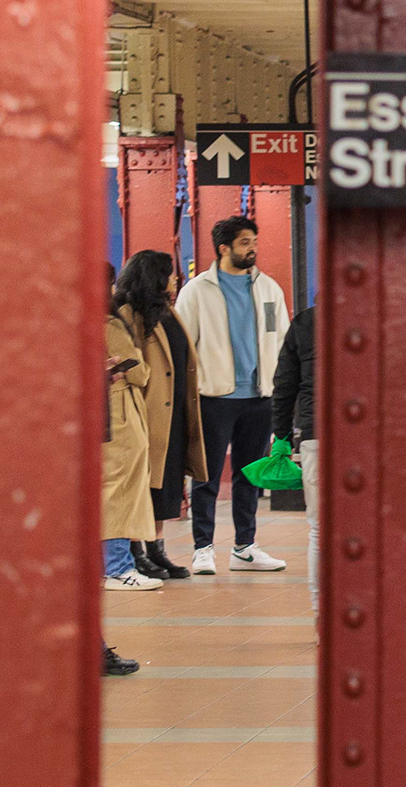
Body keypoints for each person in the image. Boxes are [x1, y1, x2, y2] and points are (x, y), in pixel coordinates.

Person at [175, 213, 293, 571]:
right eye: (245, 243)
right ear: (224, 248)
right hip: (214, 397)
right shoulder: (196, 291)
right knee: (206, 474)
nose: (252, 249)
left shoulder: (269, 288)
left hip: (260, 396)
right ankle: (203, 548)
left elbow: (281, 339)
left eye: (254, 243)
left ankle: (245, 546)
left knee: (249, 474)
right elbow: (184, 347)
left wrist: (280, 387)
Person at [100, 263, 169, 669]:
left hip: (117, 413)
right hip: (119, 416)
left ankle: (120, 563)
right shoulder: (109, 323)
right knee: (118, 492)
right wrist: (132, 369)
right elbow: (138, 369)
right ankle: (119, 566)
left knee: (117, 490)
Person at [119, 249, 201, 584]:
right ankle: (137, 550)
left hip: (174, 411)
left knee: (167, 483)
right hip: (149, 412)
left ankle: (157, 548)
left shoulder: (167, 309)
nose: (175, 277)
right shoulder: (130, 314)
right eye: (169, 272)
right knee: (144, 484)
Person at [274, 300, 317, 602]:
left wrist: (282, 437)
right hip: (373, 440)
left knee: (319, 529)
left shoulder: (304, 323)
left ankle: (320, 614)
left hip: (317, 435)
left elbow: (284, 386)